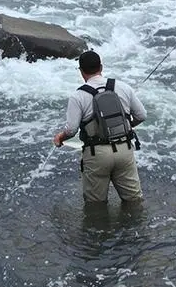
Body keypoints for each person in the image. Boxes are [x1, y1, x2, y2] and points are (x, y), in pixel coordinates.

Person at [53, 50, 146, 205]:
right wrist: (126, 126)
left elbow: (71, 130)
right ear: (101, 67)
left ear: (81, 71)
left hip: (96, 154)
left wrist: (60, 137)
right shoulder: (123, 87)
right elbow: (141, 115)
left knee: (95, 205)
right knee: (134, 201)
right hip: (124, 149)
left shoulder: (78, 96)